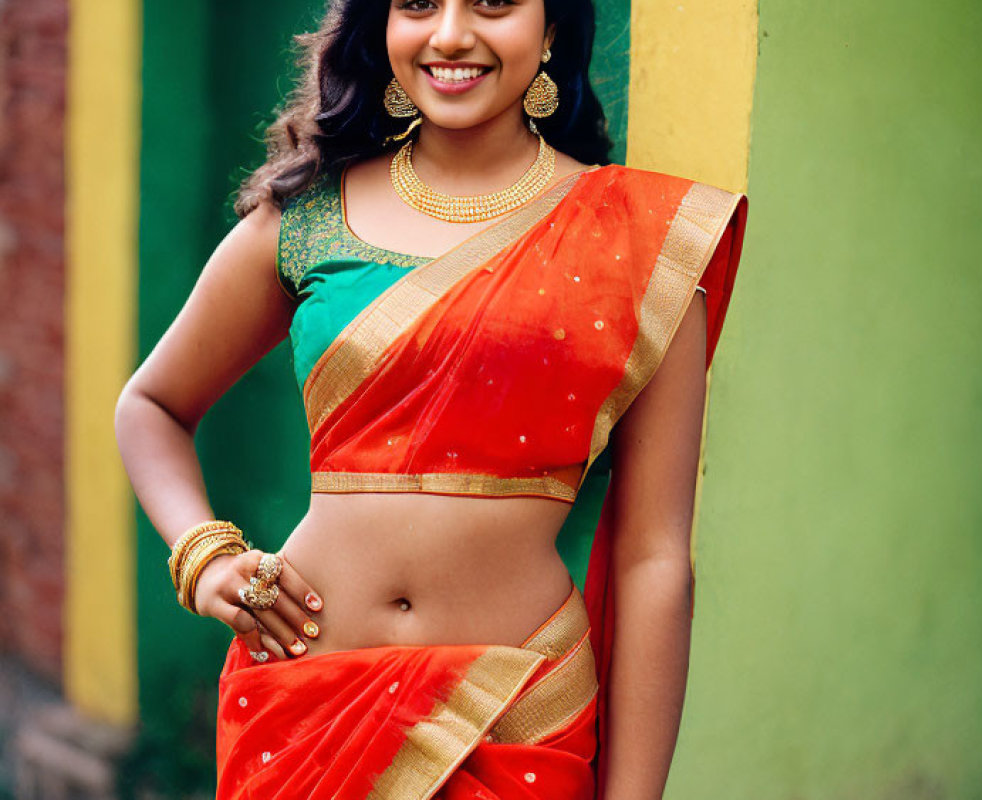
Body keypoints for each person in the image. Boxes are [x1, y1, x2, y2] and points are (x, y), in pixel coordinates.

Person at [114, 0, 747, 797]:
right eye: (416, 4)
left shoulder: (638, 239)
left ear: (552, 29)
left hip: (516, 716)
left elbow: (655, 559)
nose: (450, 34)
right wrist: (204, 555)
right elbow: (152, 406)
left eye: (493, 3)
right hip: (305, 704)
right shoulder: (309, 217)